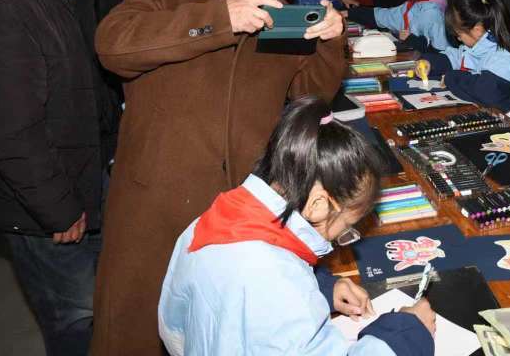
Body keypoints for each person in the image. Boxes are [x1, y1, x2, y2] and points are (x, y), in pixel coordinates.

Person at [91, 0, 348, 355]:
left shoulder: (276, 13)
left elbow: (309, 96)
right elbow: (114, 46)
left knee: (225, 332)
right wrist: (223, 18)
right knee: (134, 330)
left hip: (237, 212)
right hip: (157, 206)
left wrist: (331, 43)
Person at [0, 0, 137, 356]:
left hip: (79, 179)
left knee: (103, 301)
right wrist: (57, 209)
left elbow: (86, 87)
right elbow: (11, 132)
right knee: (75, 318)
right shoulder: (2, 11)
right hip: (42, 206)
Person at [159, 96, 436, 356]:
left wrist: (322, 287)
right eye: (346, 228)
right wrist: (405, 333)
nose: (340, 238)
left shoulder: (209, 224)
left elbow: (175, 327)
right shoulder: (280, 285)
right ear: (318, 204)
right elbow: (274, 295)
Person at [424, 0, 510, 112]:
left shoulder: (504, 54)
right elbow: (458, 57)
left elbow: (487, 93)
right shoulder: (480, 45)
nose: (458, 39)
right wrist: (430, 64)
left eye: (459, 35)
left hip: (509, 117)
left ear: (476, 30)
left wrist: (451, 77)